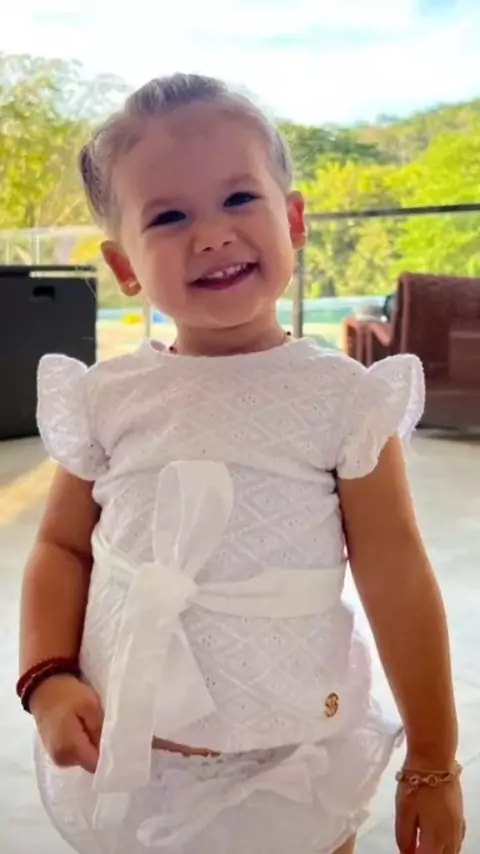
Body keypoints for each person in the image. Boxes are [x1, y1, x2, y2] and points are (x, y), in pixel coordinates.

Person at [18, 74, 464, 854]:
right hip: (132, 754)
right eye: (169, 216)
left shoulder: (343, 400)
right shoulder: (108, 398)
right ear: (125, 267)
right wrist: (48, 676)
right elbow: (60, 546)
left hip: (294, 760)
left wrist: (432, 758)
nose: (213, 235)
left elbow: (395, 575)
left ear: (292, 220)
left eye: (238, 199)